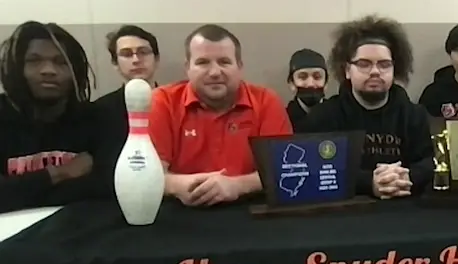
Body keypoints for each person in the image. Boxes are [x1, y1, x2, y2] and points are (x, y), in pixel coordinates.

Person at [148, 24, 293, 207]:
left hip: (249, 210)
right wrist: (180, 186)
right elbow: (148, 175)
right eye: (202, 62)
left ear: (239, 67)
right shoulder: (162, 102)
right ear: (188, 68)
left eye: (224, 62)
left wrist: (236, 186)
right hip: (179, 212)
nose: (215, 72)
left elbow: (283, 170)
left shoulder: (266, 101)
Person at [303, 15, 434, 199]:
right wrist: (368, 183)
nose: (375, 71)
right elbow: (316, 168)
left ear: (395, 69)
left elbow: (431, 161)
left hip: (406, 211)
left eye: (384, 64)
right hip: (347, 214)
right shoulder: (323, 116)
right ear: (347, 70)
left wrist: (407, 177)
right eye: (364, 64)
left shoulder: (415, 115)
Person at [0, 21, 122, 213]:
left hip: (78, 229)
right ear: (17, 68)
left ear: (75, 70)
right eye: (34, 60)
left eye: (60, 62)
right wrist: (59, 173)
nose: (48, 70)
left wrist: (19, 190)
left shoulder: (98, 118)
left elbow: (107, 188)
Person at [93, 25, 160, 119]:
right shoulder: (98, 110)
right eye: (127, 54)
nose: (136, 60)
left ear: (156, 59)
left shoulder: (174, 104)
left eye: (143, 52)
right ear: (115, 63)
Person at [285, 48, 327, 131]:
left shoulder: (339, 116)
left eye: (317, 77)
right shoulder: (283, 118)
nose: (310, 84)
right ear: (291, 83)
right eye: (303, 77)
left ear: (326, 83)